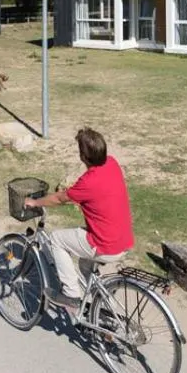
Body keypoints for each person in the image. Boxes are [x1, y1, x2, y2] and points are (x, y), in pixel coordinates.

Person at [23, 127, 134, 308]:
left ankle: (71, 294)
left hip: (104, 244)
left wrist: (35, 202)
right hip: (123, 239)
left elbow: (59, 199)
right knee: (84, 264)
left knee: (56, 239)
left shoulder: (88, 182)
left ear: (83, 156)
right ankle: (105, 306)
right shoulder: (112, 163)